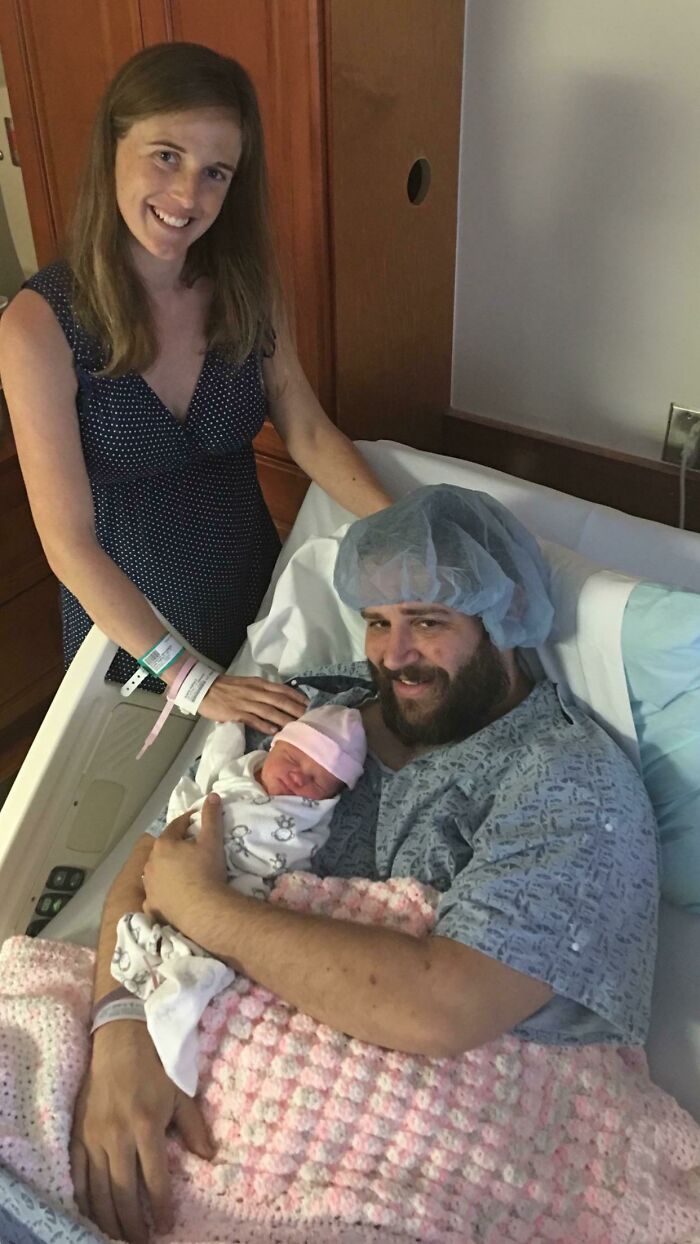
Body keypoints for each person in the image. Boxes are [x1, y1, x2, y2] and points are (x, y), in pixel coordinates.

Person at [70, 484, 659, 1244]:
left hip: (394, 1142)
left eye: (429, 621)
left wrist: (208, 909)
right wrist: (122, 1028)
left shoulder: (567, 779)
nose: (394, 654)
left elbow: (444, 1007)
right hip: (176, 1060)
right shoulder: (311, 707)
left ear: (506, 617)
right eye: (378, 621)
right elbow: (157, 858)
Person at [0, 42, 391, 739]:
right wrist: (191, 679)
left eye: (216, 172)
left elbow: (306, 430)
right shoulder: (40, 325)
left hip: (257, 605)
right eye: (166, 156)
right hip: (128, 645)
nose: (188, 196)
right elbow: (67, 541)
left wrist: (410, 532)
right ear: (112, 147)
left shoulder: (246, 288)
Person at [106, 704, 367, 1096]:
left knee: (206, 950)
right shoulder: (236, 773)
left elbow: (298, 861)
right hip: (177, 860)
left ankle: (178, 997)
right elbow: (213, 760)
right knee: (137, 931)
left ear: (329, 798)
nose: (298, 776)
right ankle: (153, 979)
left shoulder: (307, 822)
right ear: (275, 746)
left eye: (316, 781)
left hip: (241, 887)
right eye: (294, 758)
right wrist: (226, 730)